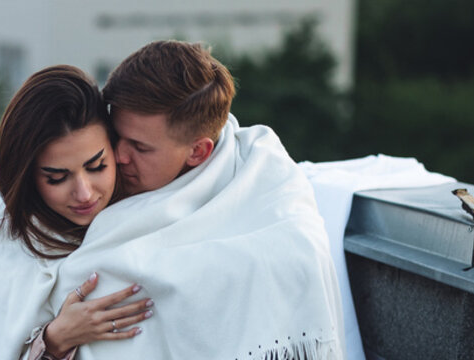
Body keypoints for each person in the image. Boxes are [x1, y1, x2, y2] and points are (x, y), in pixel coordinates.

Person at [44, 40, 345, 358]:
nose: (117, 156)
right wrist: (54, 340)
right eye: (116, 135)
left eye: (140, 147)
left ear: (198, 152)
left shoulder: (272, 191)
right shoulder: (64, 187)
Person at [0, 65, 155, 359]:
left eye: (97, 166)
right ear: (26, 175)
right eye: (57, 177)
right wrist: (54, 341)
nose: (85, 193)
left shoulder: (148, 205)